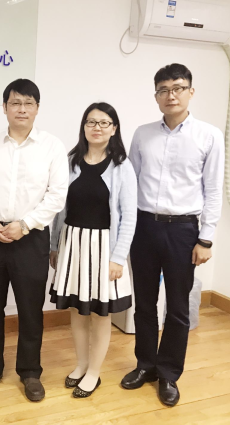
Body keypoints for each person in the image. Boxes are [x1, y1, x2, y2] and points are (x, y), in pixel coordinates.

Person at [121, 63, 225, 407]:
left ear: (190, 92)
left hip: (183, 230)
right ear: (156, 96)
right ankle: (145, 365)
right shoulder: (142, 134)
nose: (171, 95)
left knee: (178, 307)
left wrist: (205, 238)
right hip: (144, 226)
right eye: (164, 90)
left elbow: (213, 190)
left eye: (178, 88)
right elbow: (130, 183)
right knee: (144, 302)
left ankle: (168, 373)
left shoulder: (209, 135)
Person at [0, 79, 69, 402]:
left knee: (30, 309)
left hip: (31, 237)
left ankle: (30, 372)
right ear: (4, 107)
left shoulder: (52, 146)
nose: (21, 109)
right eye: (15, 103)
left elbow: (57, 196)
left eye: (28, 103)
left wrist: (24, 225)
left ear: (37, 108)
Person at [49, 102, 137, 398]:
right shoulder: (71, 161)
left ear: (114, 129)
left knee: (100, 313)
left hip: (103, 249)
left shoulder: (122, 166)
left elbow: (129, 216)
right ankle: (81, 364)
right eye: (91, 122)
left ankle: (94, 372)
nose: (96, 127)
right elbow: (59, 209)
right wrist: (54, 245)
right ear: (83, 127)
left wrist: (118, 258)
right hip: (72, 244)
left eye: (104, 122)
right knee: (77, 309)